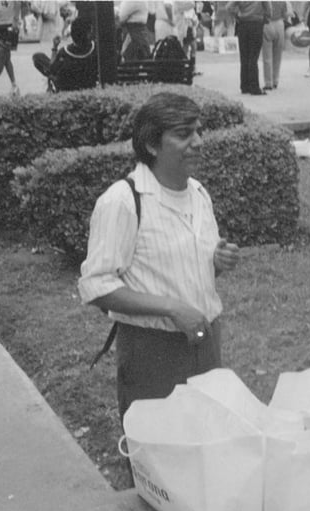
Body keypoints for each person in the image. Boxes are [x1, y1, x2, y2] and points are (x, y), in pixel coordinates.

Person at [78, 93, 240, 420]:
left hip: (205, 342)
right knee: (159, 451)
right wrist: (172, 308)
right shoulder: (123, 201)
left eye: (198, 131)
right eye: (183, 135)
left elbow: (185, 271)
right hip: (153, 351)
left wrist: (216, 263)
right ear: (152, 145)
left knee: (206, 440)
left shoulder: (198, 194)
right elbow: (96, 287)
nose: (198, 142)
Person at [32, 16, 96, 92]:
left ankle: (53, 86)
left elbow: (52, 69)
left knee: (37, 57)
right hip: (89, 84)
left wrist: (55, 47)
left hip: (67, 87)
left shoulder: (64, 53)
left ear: (72, 34)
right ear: (88, 34)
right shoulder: (95, 48)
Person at [227, 1, 267, 95]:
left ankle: (244, 86)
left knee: (244, 56)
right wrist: (265, 17)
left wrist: (237, 15)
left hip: (243, 24)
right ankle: (254, 87)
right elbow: (268, 8)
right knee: (253, 57)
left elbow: (229, 7)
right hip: (256, 24)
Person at [261, 1, 290, 90]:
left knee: (267, 56)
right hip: (279, 24)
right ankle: (275, 80)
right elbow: (285, 15)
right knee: (278, 55)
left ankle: (268, 82)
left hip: (267, 23)